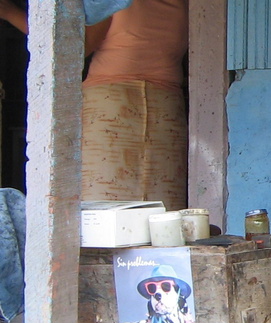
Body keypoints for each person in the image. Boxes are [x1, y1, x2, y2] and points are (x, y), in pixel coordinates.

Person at [0, 0, 188, 211]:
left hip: (111, 105)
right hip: (168, 107)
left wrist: (8, 12)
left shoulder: (114, 2)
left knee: (103, 207)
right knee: (161, 209)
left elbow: (73, 47)